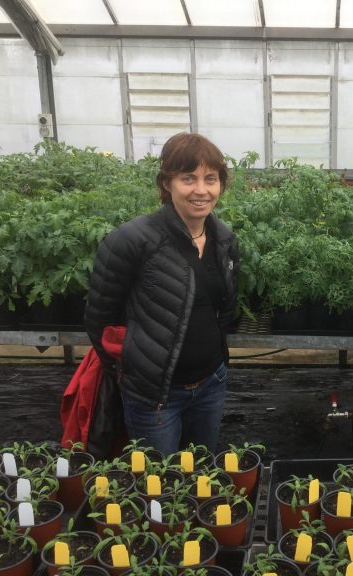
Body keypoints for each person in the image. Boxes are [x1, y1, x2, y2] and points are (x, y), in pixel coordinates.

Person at [84, 132, 239, 455]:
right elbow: (100, 319)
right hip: (155, 397)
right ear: (167, 183)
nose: (201, 190)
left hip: (211, 384)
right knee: (158, 480)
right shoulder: (131, 240)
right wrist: (132, 369)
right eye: (188, 178)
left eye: (210, 179)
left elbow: (223, 310)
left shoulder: (223, 239)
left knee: (202, 473)